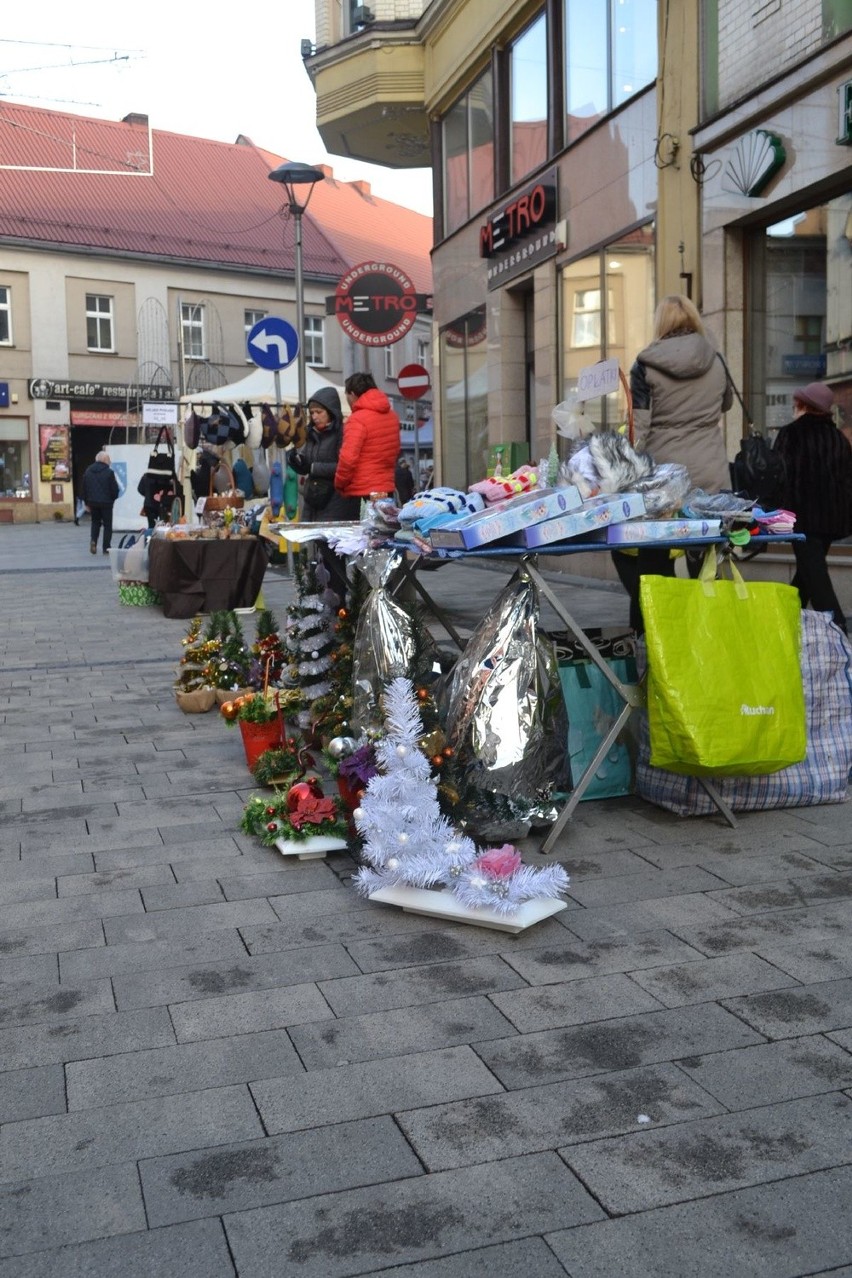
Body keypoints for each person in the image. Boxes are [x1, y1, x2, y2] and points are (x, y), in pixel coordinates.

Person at [614, 294, 733, 631]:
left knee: (651, 558)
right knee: (709, 558)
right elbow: (725, 405)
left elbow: (640, 428)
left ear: (660, 323)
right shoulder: (716, 361)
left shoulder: (646, 365)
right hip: (711, 472)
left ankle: (650, 636)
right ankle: (712, 635)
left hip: (665, 482)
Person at [773, 382, 852, 634]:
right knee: (809, 572)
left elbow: (779, 475)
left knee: (814, 573)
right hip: (833, 518)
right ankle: (785, 623)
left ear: (803, 405)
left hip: (802, 516)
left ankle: (835, 625)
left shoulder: (791, 434)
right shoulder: (838, 438)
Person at [288, 386, 352, 601]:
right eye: (312, 412)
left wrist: (313, 467)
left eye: (319, 412)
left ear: (331, 411)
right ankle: (319, 607)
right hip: (315, 501)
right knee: (318, 555)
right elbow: (307, 465)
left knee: (333, 558)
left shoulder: (342, 434)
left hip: (336, 503)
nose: (314, 417)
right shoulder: (312, 435)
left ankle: (338, 607)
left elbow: (343, 466)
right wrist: (297, 462)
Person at [335, 372, 400, 509]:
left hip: (361, 491)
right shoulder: (392, 417)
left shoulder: (357, 419)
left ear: (352, 394)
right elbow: (395, 452)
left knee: (359, 530)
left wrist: (340, 483)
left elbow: (348, 458)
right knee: (382, 528)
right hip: (385, 490)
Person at [81, 450, 120, 555]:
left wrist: (86, 502)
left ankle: (93, 541)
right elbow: (115, 490)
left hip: (93, 502)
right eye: (109, 460)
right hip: (106, 503)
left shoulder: (88, 471)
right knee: (107, 525)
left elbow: (84, 488)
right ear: (104, 460)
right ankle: (106, 547)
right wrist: (112, 499)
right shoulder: (109, 472)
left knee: (95, 523)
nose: (110, 462)